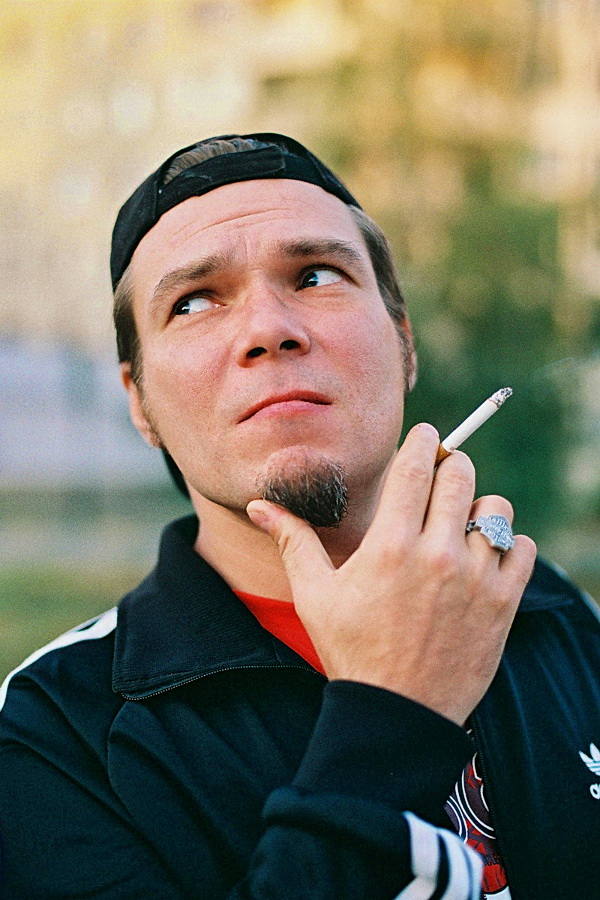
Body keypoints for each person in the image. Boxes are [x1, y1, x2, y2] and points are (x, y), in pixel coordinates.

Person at [0, 134, 598, 900]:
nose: (267, 328)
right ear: (139, 402)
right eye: (194, 301)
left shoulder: (549, 608)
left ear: (404, 342)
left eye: (315, 275)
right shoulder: (57, 734)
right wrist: (392, 715)